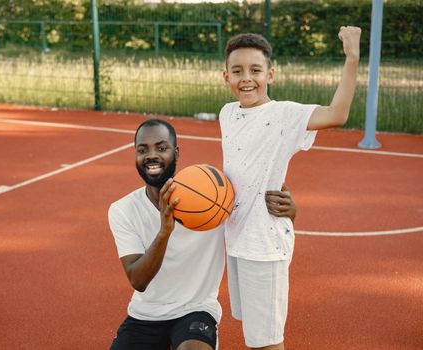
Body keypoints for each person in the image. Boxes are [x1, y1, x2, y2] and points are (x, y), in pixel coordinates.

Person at [220, 27, 361, 350]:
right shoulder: (227, 114)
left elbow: (337, 114)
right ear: (225, 75)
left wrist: (351, 58)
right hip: (237, 239)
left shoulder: (284, 115)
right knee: (252, 334)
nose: (247, 78)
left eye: (255, 70)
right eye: (237, 71)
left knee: (267, 342)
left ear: (270, 74)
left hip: (264, 244)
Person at [108, 118, 298, 350]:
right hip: (146, 314)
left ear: (176, 153)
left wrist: (290, 211)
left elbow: (258, 217)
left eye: (161, 147)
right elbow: (138, 280)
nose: (151, 155)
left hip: (196, 310)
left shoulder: (211, 199)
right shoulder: (122, 210)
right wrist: (164, 232)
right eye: (142, 150)